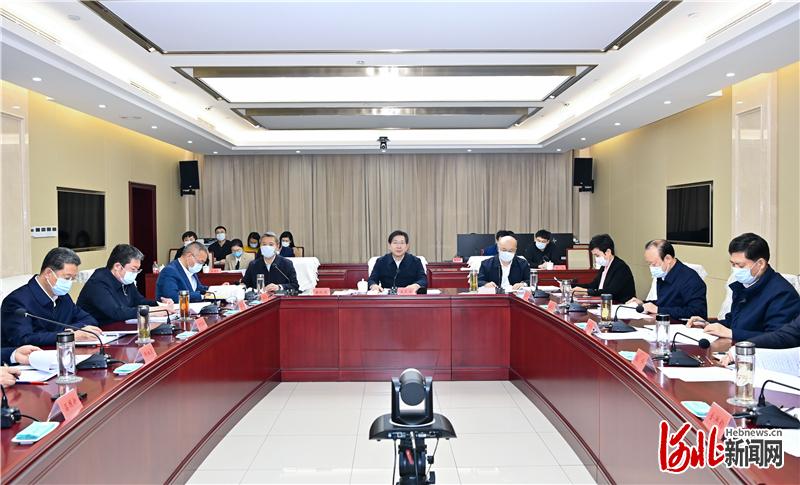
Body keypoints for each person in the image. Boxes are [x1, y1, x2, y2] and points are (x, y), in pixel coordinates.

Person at [688, 233, 800, 340]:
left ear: (760, 264)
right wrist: (708, 325)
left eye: (740, 265)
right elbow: (733, 322)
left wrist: (731, 333)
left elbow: (778, 338)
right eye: (733, 264)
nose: (735, 270)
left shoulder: (782, 294)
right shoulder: (744, 285)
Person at [1, 248, 103, 347]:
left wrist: (69, 331)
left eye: (73, 279)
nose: (70, 283)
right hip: (30, 356)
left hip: (62, 352)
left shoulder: (63, 297)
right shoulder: (17, 301)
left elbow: (89, 319)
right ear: (48, 273)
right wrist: (68, 335)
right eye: (67, 278)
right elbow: (23, 339)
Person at [77, 244, 175, 325]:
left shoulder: (124, 280)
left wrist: (160, 304)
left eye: (137, 270)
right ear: (117, 266)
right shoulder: (98, 283)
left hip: (120, 328)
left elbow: (139, 301)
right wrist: (153, 311)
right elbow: (117, 312)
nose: (135, 273)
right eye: (133, 269)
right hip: (100, 332)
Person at [627, 239, 707, 319]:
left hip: (681, 324)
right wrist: (643, 303)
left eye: (654, 264)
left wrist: (658, 310)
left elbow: (697, 312)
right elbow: (665, 303)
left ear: (668, 259)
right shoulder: (664, 274)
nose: (651, 268)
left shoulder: (690, 279)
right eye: (649, 263)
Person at [573, 234, 636, 302]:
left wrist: (586, 292)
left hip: (620, 305)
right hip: (605, 304)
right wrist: (572, 286)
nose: (596, 259)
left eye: (597, 255)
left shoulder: (621, 267)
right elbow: (593, 285)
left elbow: (610, 292)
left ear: (608, 252)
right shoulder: (604, 266)